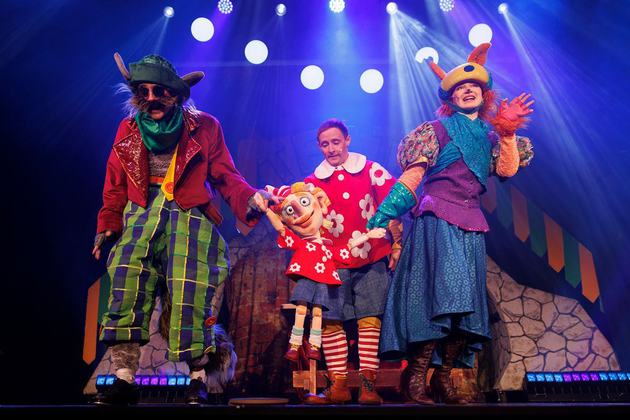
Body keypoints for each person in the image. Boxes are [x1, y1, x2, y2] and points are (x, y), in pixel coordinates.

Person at [91, 53, 273, 405]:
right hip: (140, 212)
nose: (152, 98)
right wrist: (108, 223)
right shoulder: (128, 129)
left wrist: (250, 198)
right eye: (143, 92)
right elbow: (114, 182)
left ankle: (197, 378)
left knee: (190, 289)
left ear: (175, 94)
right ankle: (124, 378)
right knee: (126, 282)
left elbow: (225, 175)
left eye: (160, 91)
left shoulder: (204, 126)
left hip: (188, 213)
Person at [367, 43, 534, 405]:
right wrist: (385, 213)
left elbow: (506, 171)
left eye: (473, 87)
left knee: (466, 304)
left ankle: (443, 378)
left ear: (485, 95)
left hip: (471, 223)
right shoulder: (436, 130)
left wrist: (507, 133)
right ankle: (415, 376)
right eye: (460, 88)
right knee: (442, 297)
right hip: (437, 219)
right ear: (450, 98)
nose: (468, 90)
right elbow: (413, 177)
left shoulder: (490, 136)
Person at [300, 119, 401, 405]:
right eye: (325, 144)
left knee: (370, 318)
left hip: (371, 254)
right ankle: (339, 386)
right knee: (331, 319)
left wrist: (396, 243)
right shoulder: (312, 183)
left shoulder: (370, 169)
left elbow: (395, 201)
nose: (331, 149)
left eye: (336, 142)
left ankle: (368, 387)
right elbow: (300, 219)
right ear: (319, 147)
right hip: (332, 260)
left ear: (347, 140)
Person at [263, 183, 385, 370]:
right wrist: (267, 211)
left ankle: (314, 345)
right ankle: (294, 344)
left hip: (324, 278)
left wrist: (369, 236)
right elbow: (281, 229)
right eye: (290, 211)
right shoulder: (301, 244)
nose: (300, 214)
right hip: (307, 277)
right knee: (302, 310)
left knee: (319, 312)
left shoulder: (327, 249)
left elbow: (349, 246)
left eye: (304, 203)